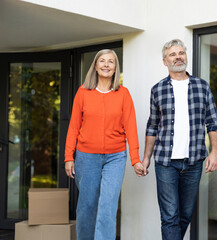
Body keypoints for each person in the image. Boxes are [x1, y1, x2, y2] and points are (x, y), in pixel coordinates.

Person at [141, 39, 217, 240]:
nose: (178, 57)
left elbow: (213, 122)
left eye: (181, 53)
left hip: (193, 162)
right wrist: (146, 158)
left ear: (186, 56)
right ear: (165, 61)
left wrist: (215, 152)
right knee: (169, 216)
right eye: (172, 54)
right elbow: (152, 126)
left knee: (185, 215)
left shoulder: (202, 87)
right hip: (165, 162)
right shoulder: (157, 90)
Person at [64, 49, 144, 240]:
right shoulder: (83, 92)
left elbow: (131, 128)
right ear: (95, 65)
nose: (106, 65)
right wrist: (68, 157)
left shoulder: (123, 94)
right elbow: (74, 127)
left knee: (108, 205)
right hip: (86, 156)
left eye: (111, 61)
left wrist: (135, 160)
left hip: (115, 157)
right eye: (102, 61)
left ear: (116, 67)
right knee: (87, 206)